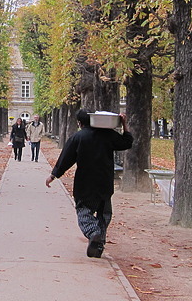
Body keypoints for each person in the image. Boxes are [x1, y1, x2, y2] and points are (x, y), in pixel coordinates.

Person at [45, 109, 133, 258]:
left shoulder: (78, 137)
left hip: (84, 183)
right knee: (104, 214)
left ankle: (94, 233)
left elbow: (66, 158)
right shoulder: (108, 135)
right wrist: (124, 125)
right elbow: (127, 143)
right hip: (105, 182)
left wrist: (54, 175)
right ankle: (99, 244)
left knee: (84, 211)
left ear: (79, 123)